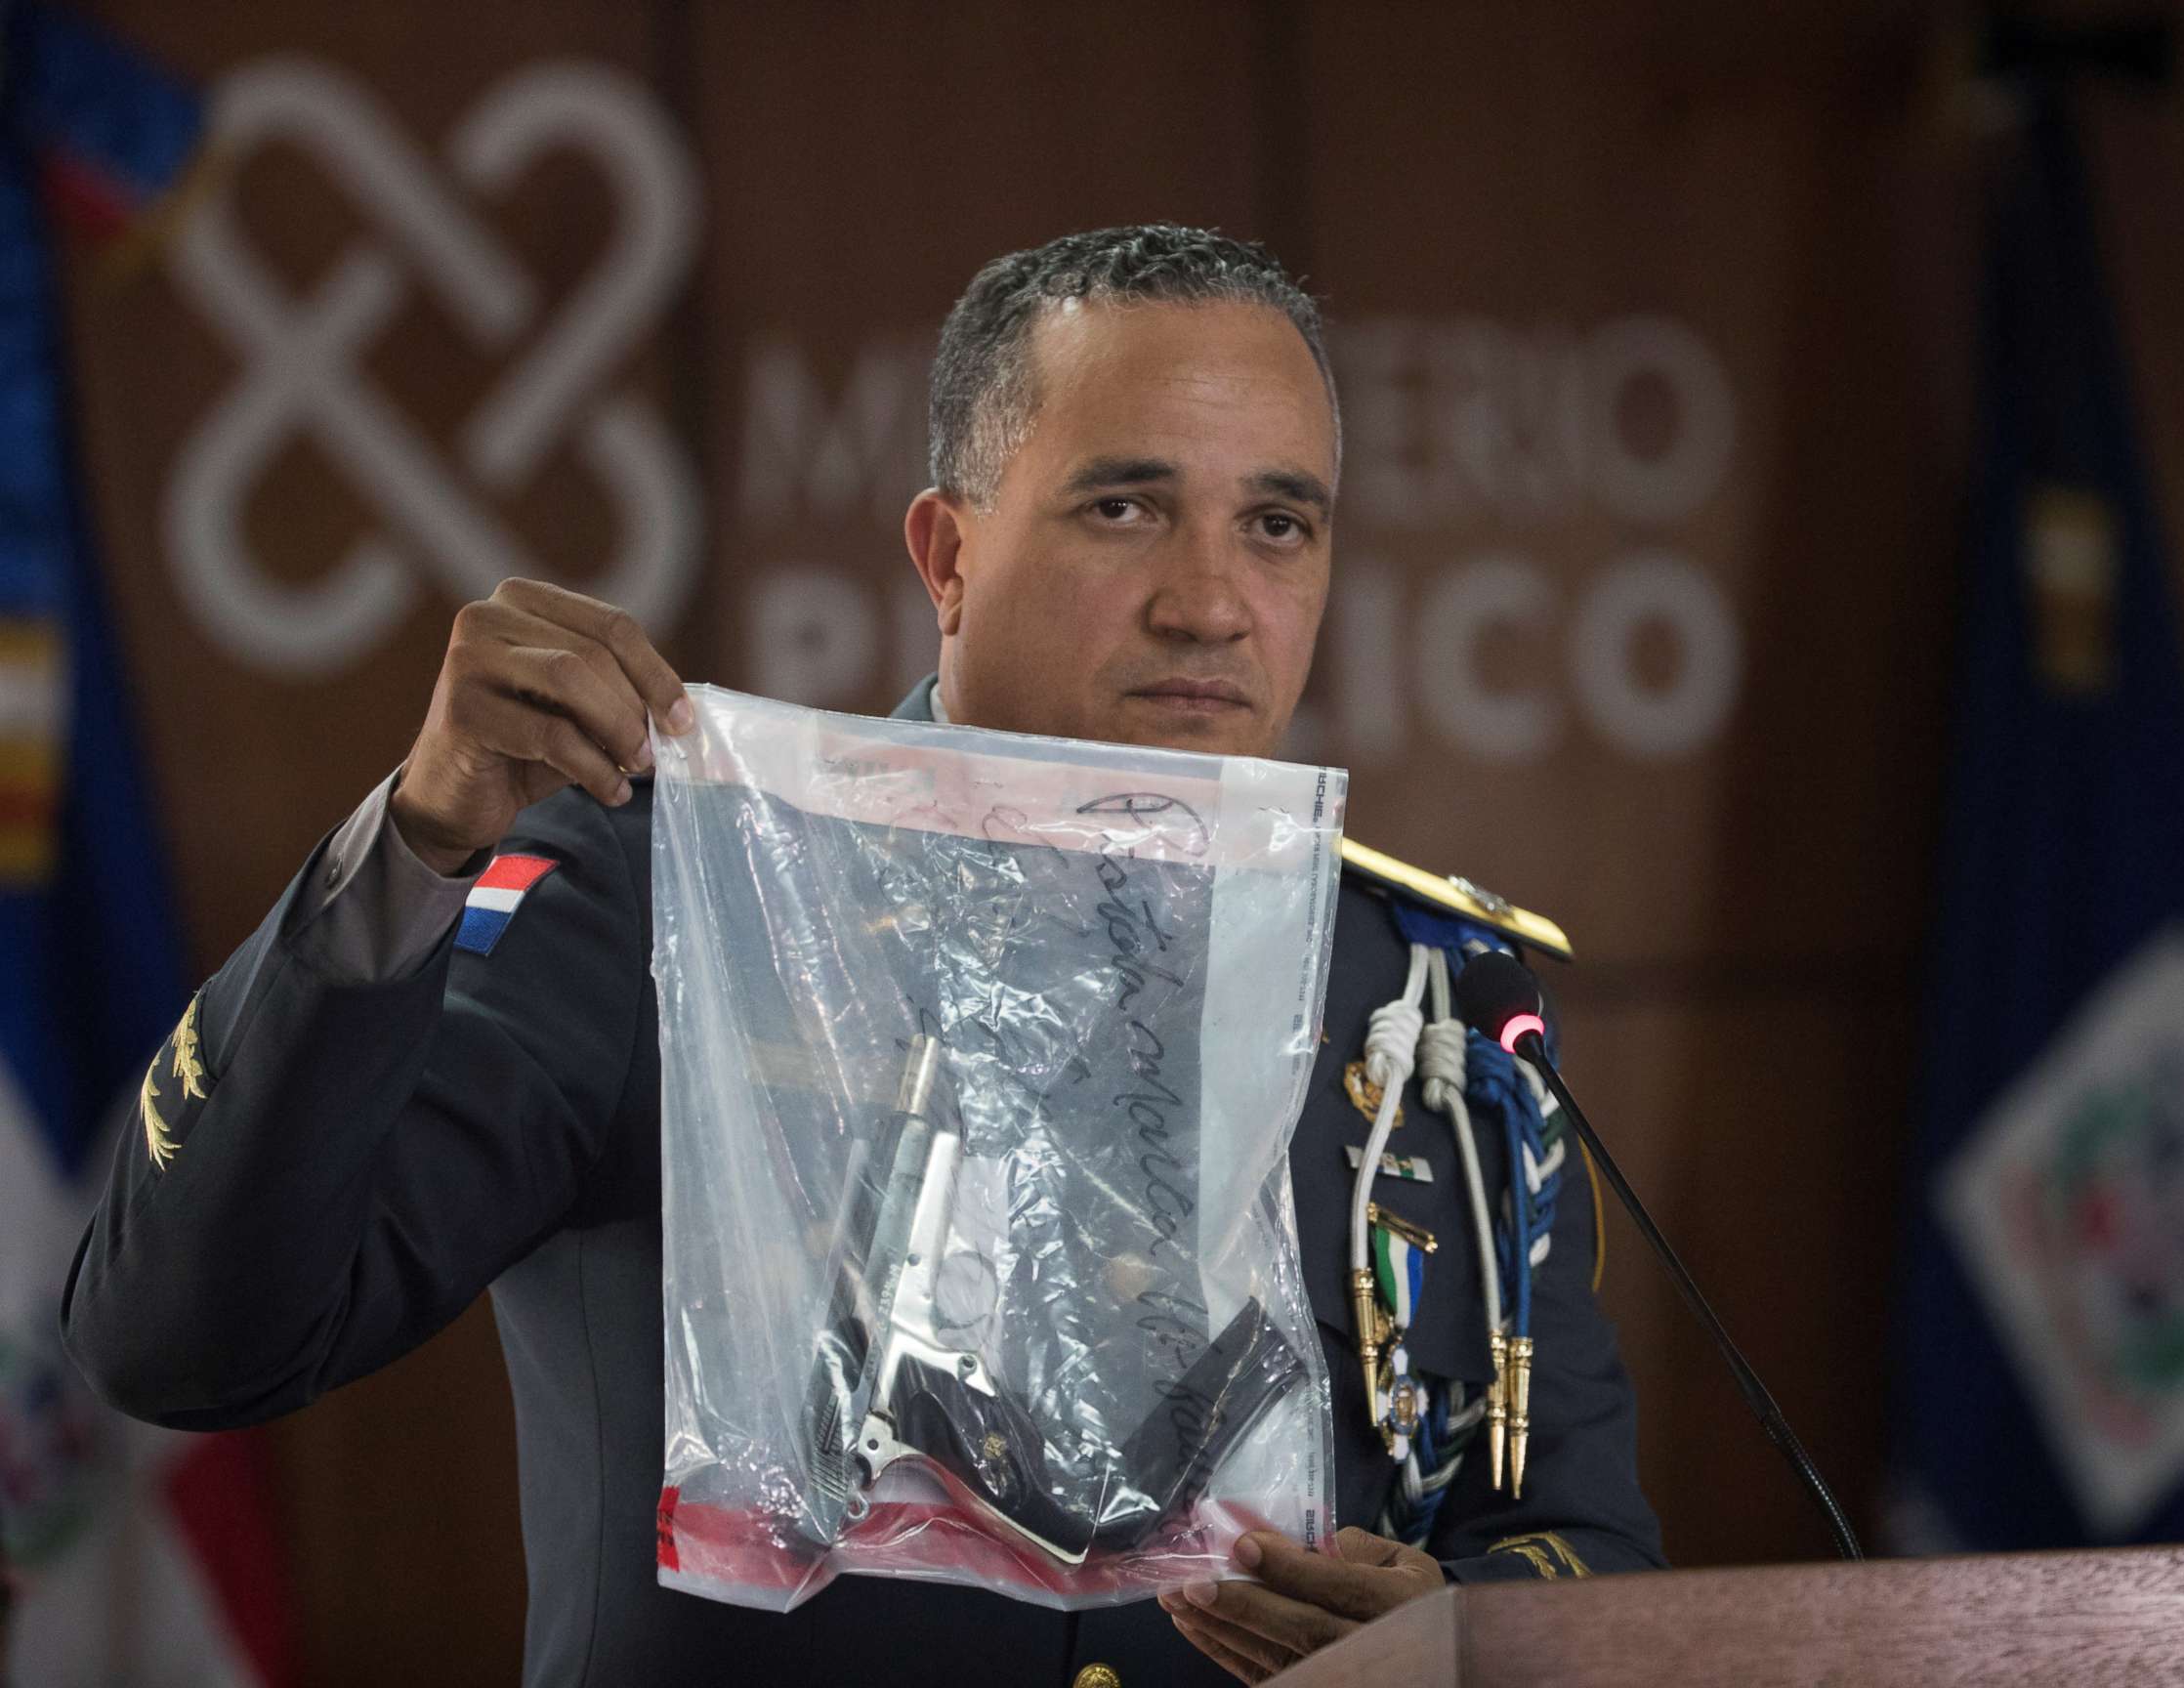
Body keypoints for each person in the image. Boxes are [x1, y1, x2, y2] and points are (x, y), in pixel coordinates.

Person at [63, 225, 1661, 1686]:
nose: (1212, 604)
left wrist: (1461, 1643)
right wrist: (408, 851)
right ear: (946, 558)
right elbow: (183, 1341)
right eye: (1126, 506)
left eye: (1278, 524)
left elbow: (1580, 1536)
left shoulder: (1416, 988)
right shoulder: (666, 897)